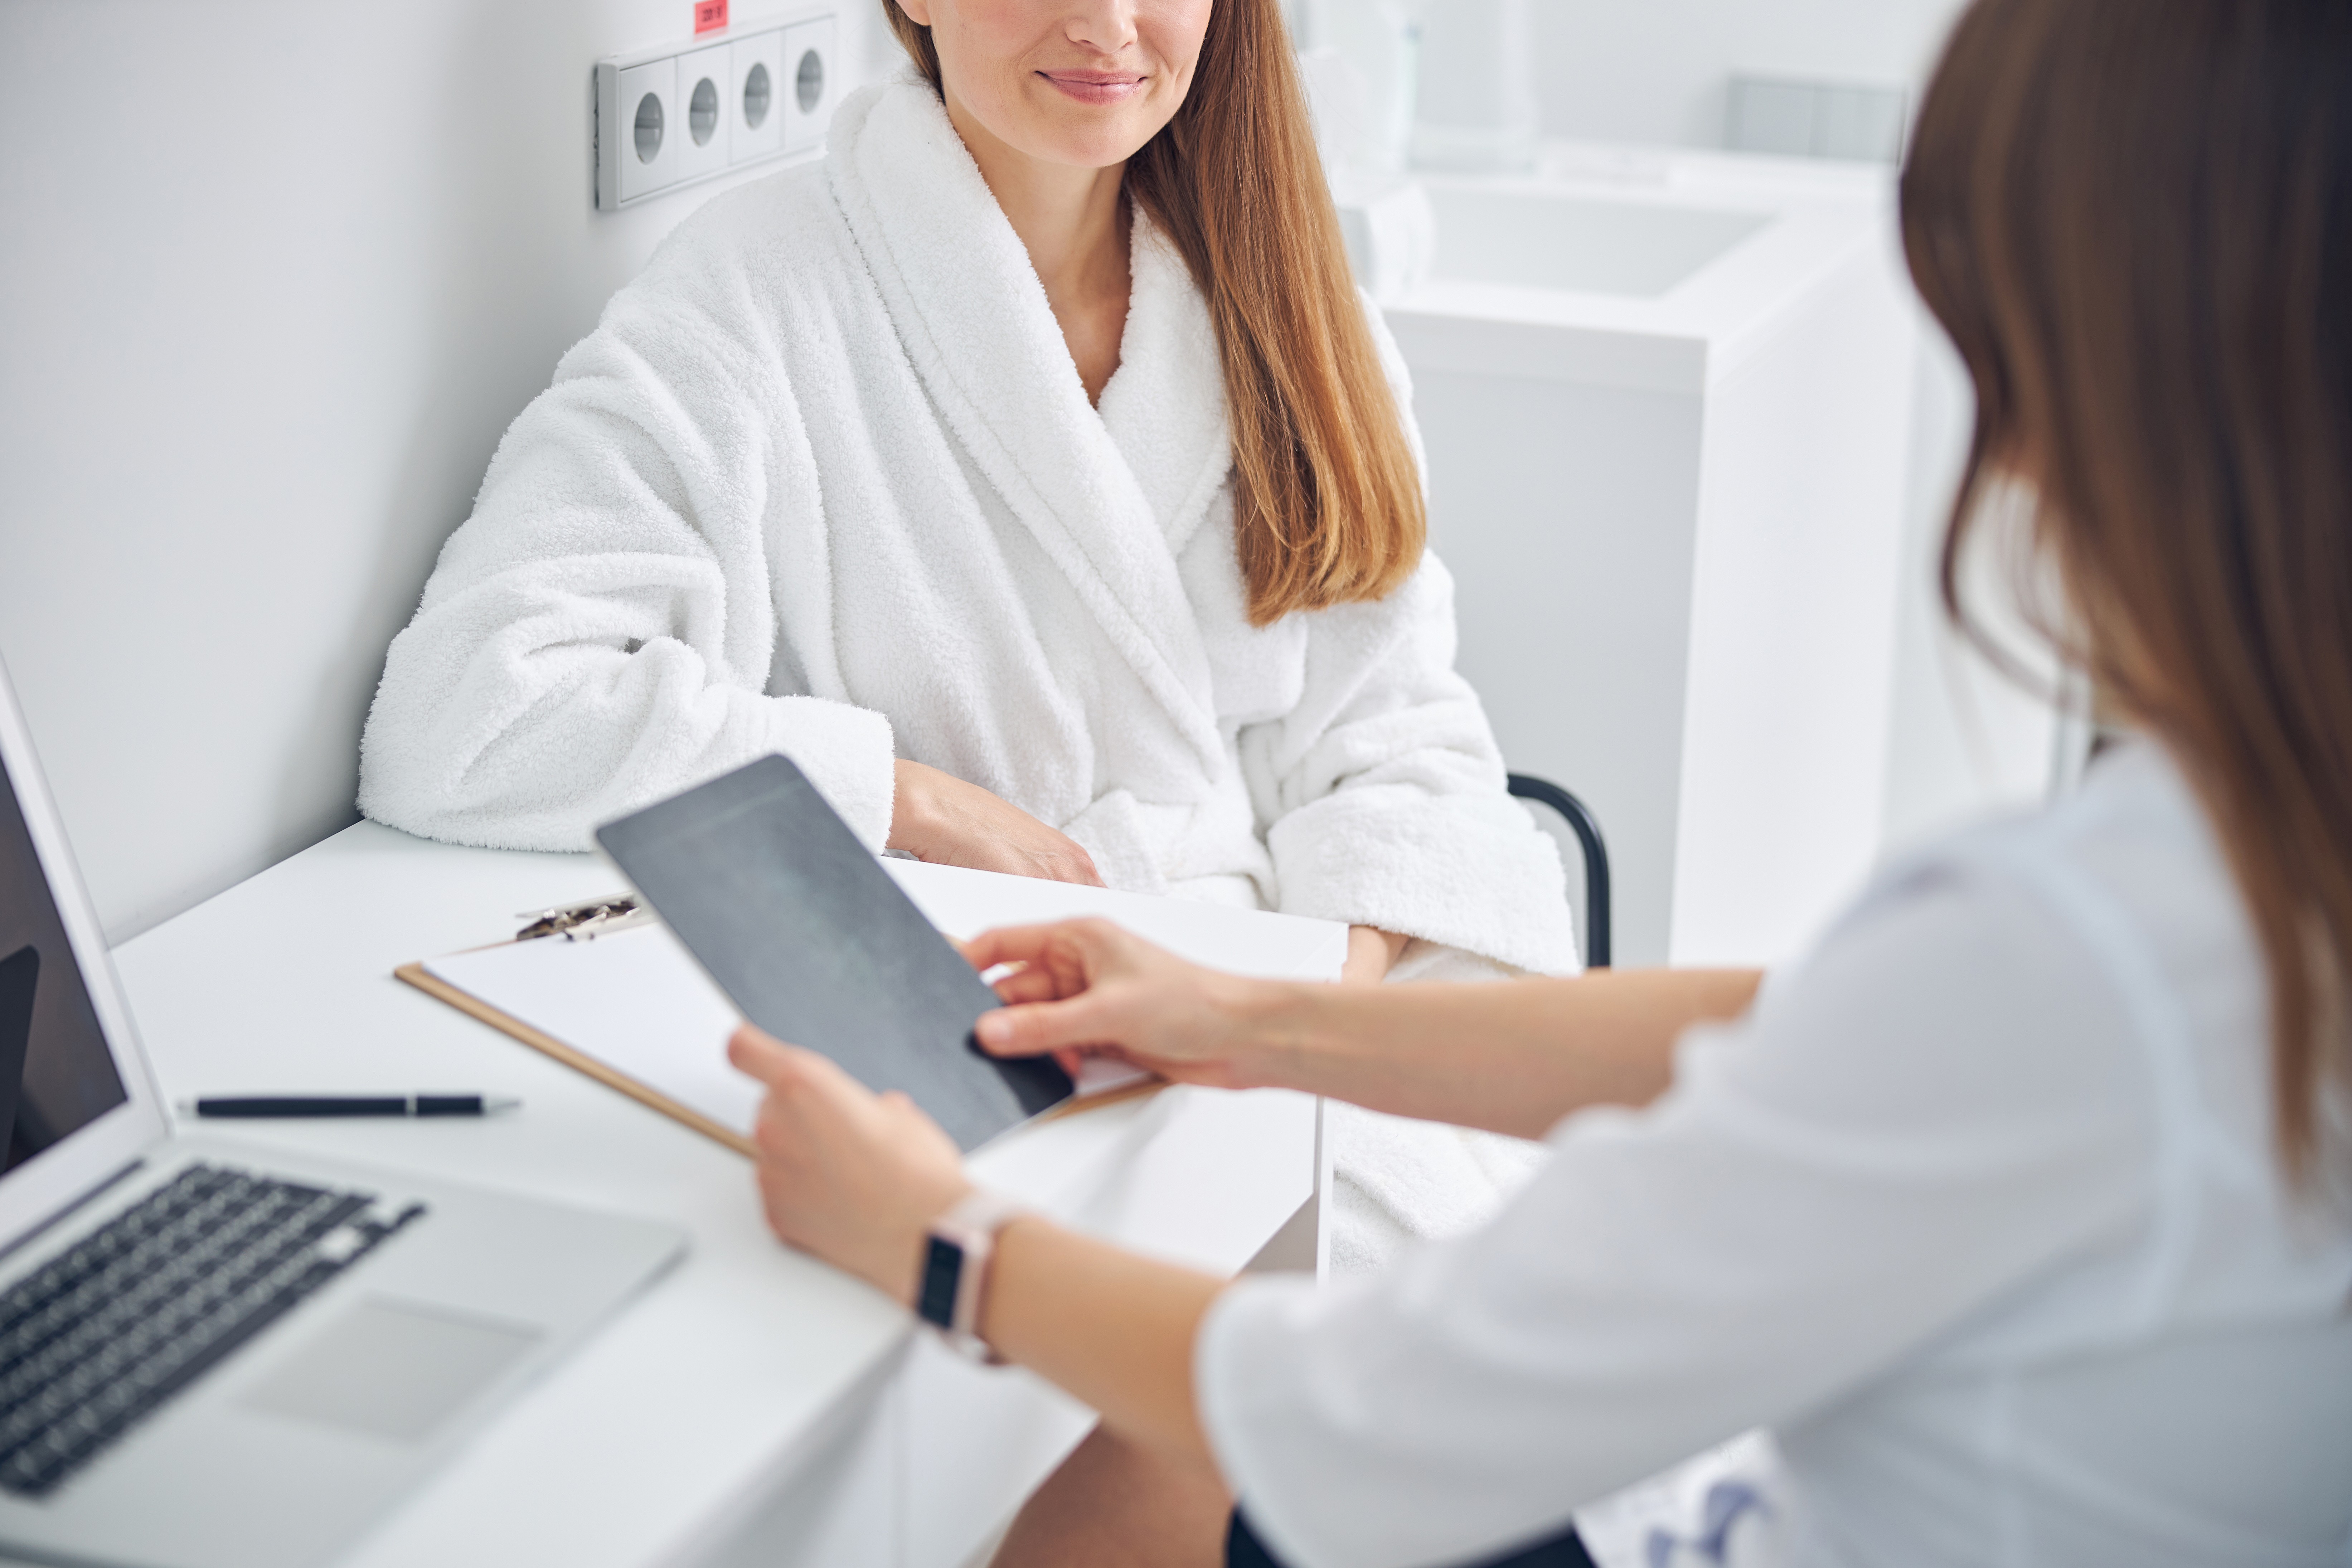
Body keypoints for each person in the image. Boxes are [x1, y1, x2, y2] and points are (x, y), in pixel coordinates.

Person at [719, 1, 2352, 1563]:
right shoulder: (2233, 867)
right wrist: (1251, 1016)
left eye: (2010, 369)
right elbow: (1823, 1030)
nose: (2007, 463)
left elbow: (1369, 1413)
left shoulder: (2085, 935)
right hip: (1222, 1028)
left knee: (1124, 1500)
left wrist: (939, 1244)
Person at [357, 0, 1575, 1264]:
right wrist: (902, 798)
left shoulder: (1293, 313)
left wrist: (1285, 1014)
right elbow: (474, 708)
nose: (1108, 24)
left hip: (1265, 1012)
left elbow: (1403, 746)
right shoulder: (753, 298)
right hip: (960, 1045)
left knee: (1446, 1322)